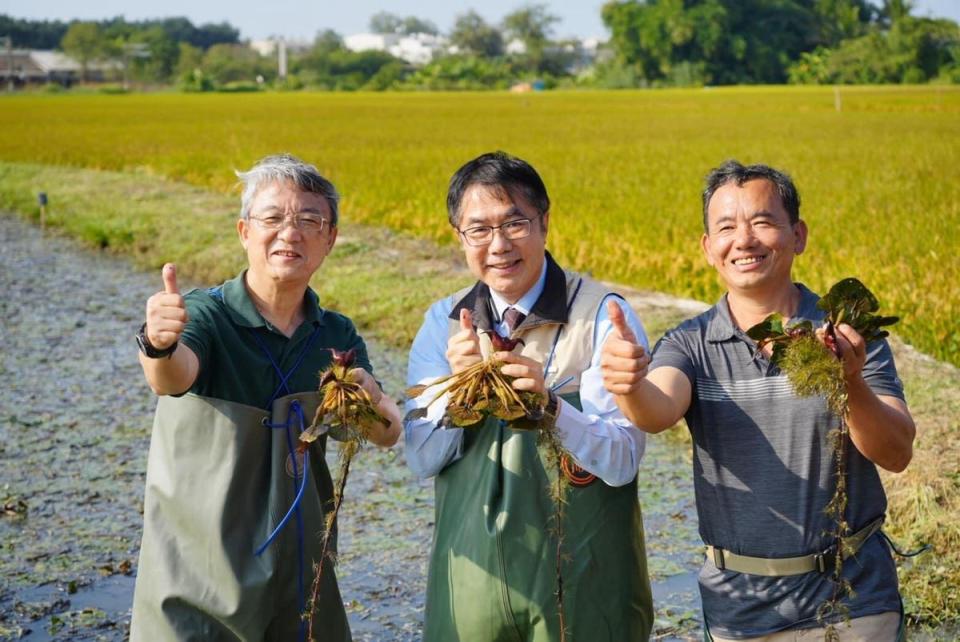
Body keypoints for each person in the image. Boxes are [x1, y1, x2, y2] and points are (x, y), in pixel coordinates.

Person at [601, 160, 916, 641]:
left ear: (798, 235)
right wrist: (627, 384)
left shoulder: (844, 335)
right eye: (726, 227)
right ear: (709, 249)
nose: (743, 240)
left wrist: (849, 380)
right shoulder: (691, 344)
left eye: (763, 222)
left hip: (856, 602)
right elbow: (656, 410)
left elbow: (896, 453)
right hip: (741, 612)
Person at [130, 153, 402, 642]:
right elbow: (169, 378)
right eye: (273, 218)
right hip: (197, 578)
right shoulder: (205, 314)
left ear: (331, 238)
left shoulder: (334, 333)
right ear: (244, 232)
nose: (290, 233)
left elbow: (386, 434)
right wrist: (159, 343)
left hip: (300, 576)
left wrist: (371, 397)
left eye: (309, 220)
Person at [405, 151, 654, 641]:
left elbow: (624, 458)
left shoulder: (604, 316)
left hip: (588, 581)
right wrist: (458, 394)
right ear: (459, 236)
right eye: (478, 229)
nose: (498, 245)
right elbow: (421, 457)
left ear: (544, 222)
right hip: (475, 584)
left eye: (515, 222)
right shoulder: (443, 324)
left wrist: (552, 406)